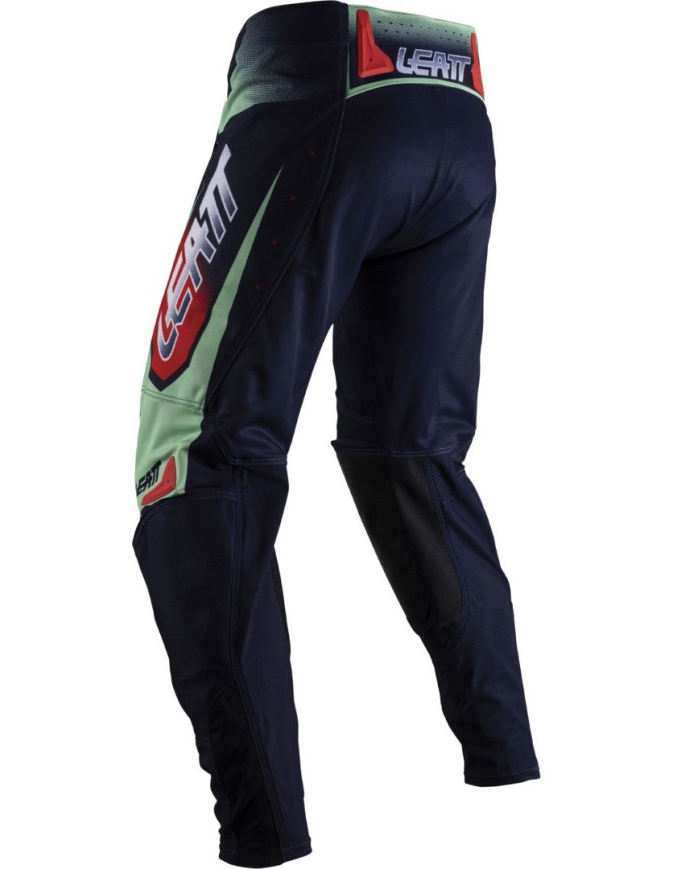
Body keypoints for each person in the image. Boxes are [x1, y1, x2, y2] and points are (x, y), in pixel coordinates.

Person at [131, 2, 541, 866]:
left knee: (193, 451)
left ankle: (263, 833)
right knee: (413, 452)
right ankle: (510, 772)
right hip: (455, 95)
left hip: (314, 79)